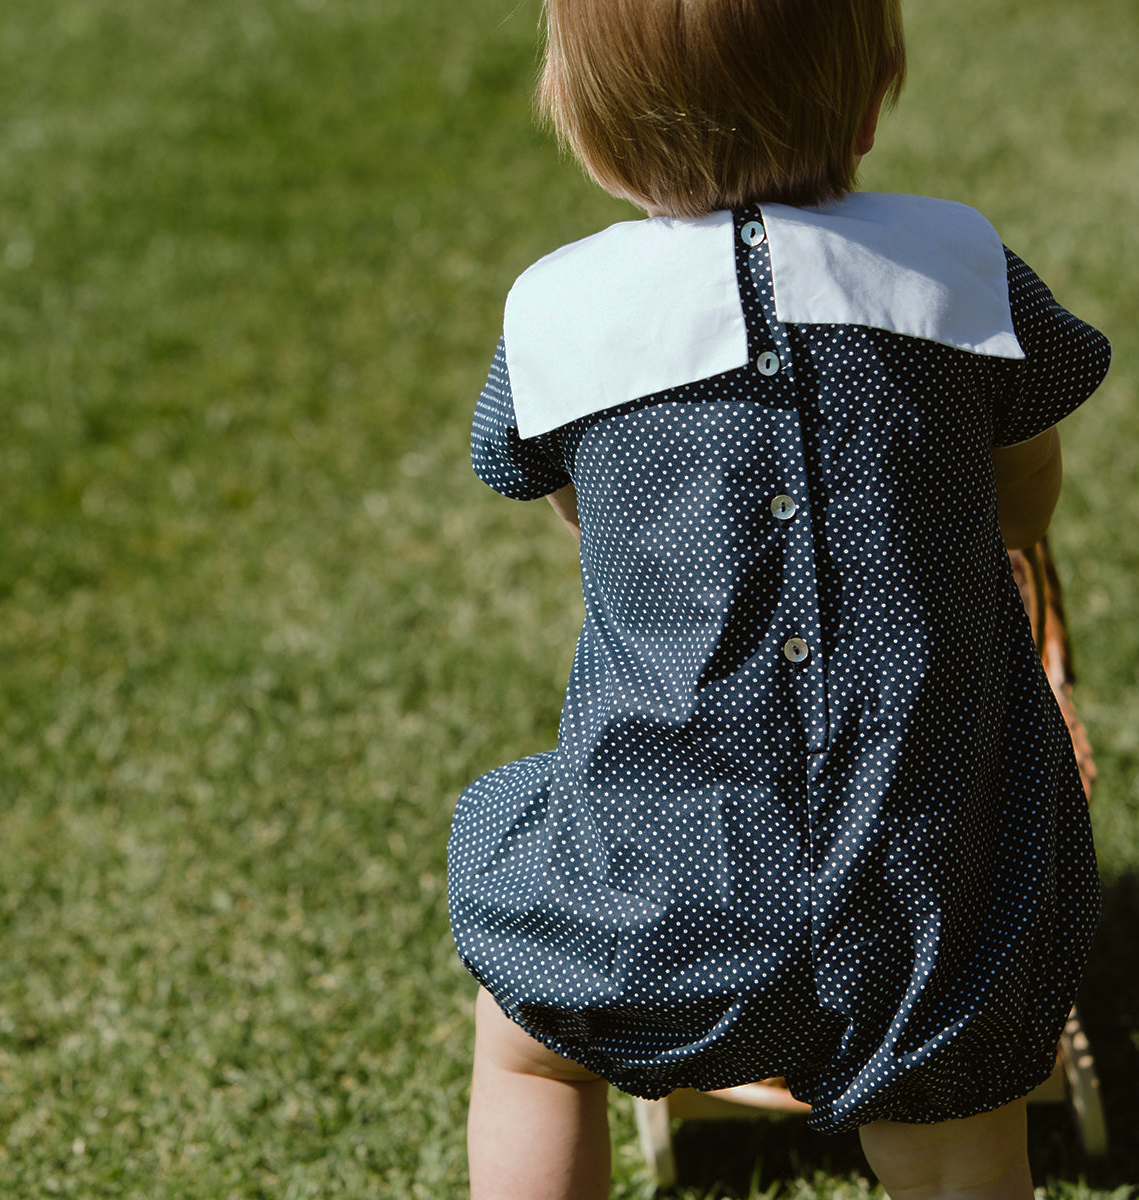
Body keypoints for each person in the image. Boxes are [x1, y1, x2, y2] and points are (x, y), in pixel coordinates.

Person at [446, 1, 1112, 1196]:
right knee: (960, 1145)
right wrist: (996, 542)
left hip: (661, 877)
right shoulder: (955, 266)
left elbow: (574, 508)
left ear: (586, 129)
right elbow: (1025, 479)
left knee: (530, 1048)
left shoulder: (558, 314)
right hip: (927, 877)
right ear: (874, 94)